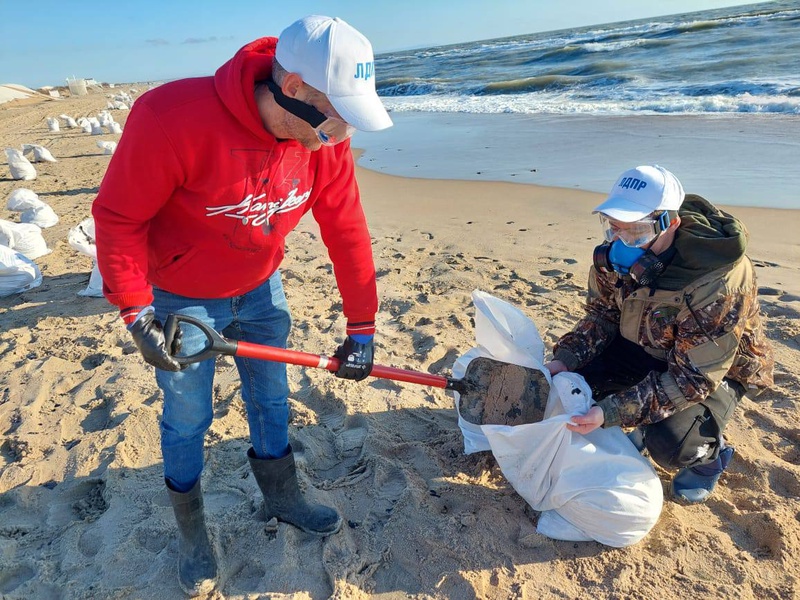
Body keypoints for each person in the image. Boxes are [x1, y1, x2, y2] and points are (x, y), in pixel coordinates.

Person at [92, 15, 392, 596]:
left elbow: (347, 229)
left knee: (271, 396)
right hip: (180, 298)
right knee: (188, 416)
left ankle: (282, 498)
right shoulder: (170, 118)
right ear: (295, 88)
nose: (341, 134)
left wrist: (361, 324)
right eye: (339, 114)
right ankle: (192, 533)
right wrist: (136, 312)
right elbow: (119, 219)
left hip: (260, 288)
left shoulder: (325, 139)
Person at [544, 165, 773, 506]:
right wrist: (566, 358)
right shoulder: (613, 260)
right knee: (573, 385)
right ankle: (637, 418)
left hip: (714, 367)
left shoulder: (718, 280)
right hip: (648, 341)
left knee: (671, 444)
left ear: (671, 223)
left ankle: (709, 461)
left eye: (636, 231)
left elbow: (692, 380)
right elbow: (603, 317)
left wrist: (613, 412)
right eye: (613, 227)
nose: (621, 242)